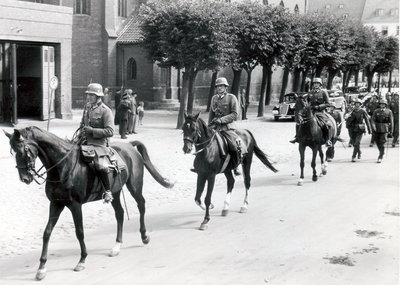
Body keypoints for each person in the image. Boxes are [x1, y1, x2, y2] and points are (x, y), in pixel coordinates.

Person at [191, 77, 242, 175]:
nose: (219, 88)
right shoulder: (214, 98)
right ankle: (198, 164)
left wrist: (222, 120)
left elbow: (235, 114)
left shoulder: (232, 98)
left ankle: (236, 166)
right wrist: (208, 126)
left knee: (233, 145)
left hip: (228, 127)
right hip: (215, 127)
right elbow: (211, 114)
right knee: (203, 141)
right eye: (218, 86)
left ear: (226, 87)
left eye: (222, 86)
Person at [80, 83, 114, 203]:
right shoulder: (87, 108)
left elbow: (110, 131)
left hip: (99, 144)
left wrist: (92, 131)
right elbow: (82, 125)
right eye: (88, 95)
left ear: (98, 96)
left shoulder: (106, 111)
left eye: (92, 95)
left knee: (99, 165)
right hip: (84, 142)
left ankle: (107, 191)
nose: (89, 97)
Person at [291, 77, 333, 146]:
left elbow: (328, 103)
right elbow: (305, 101)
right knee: (299, 122)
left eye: (317, 83)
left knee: (327, 125)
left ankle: (327, 140)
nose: (316, 85)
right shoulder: (310, 92)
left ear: (320, 85)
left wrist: (319, 107)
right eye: (315, 83)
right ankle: (297, 137)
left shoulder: (323, 92)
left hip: (320, 112)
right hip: (311, 112)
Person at [371, 99, 394, 163]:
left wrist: (391, 131)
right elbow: (372, 120)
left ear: (385, 105)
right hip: (377, 128)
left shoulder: (389, 111)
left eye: (383, 104)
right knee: (377, 142)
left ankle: (380, 156)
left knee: (382, 142)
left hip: (385, 128)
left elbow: (391, 122)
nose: (382, 105)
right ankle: (382, 151)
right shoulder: (376, 111)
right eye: (381, 104)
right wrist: (373, 126)